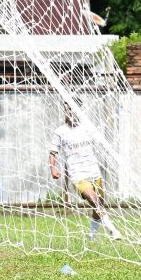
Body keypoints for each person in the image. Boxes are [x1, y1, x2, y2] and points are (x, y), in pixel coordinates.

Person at [49, 102, 121, 240]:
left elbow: (102, 144)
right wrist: (53, 168)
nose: (71, 112)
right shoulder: (60, 131)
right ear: (65, 111)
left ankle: (92, 236)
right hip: (78, 175)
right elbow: (53, 152)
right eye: (68, 109)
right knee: (95, 201)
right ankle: (113, 231)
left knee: (98, 205)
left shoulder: (88, 128)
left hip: (94, 172)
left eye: (73, 109)